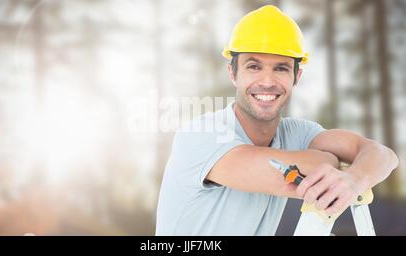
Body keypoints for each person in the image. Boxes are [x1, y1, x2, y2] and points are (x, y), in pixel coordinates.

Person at [155, 5, 398, 235]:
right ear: (233, 73)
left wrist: (354, 179)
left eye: (281, 68)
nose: (267, 81)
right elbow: (278, 179)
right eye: (254, 66)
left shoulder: (297, 133)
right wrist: (328, 160)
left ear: (296, 76)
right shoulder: (201, 134)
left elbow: (383, 155)